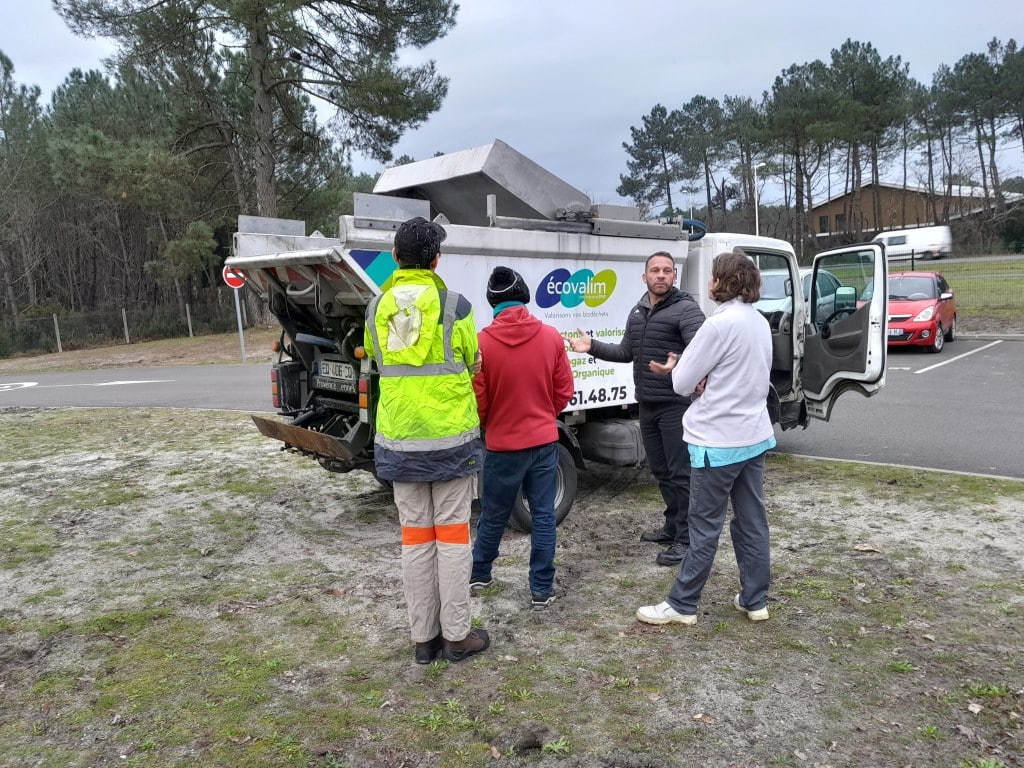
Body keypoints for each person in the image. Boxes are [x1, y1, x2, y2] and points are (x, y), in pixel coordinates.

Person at [364, 216, 490, 664]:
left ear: (394, 257)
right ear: (437, 260)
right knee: (453, 538)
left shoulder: (375, 307)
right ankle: (456, 636)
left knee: (416, 539)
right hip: (451, 442)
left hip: (400, 441)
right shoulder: (456, 306)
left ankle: (424, 640)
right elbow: (473, 359)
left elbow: (377, 356)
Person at [635, 248, 776, 626]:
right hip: (754, 436)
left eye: (713, 275)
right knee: (752, 521)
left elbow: (682, 384)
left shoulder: (718, 324)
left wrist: (686, 371)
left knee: (703, 527)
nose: (709, 281)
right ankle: (755, 599)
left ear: (722, 281)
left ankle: (682, 604)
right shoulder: (759, 321)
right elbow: (744, 372)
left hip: (718, 442)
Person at [568, 251, 704, 566]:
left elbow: (702, 351)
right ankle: (673, 527)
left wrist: (677, 364)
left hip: (676, 406)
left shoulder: (686, 310)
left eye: (667, 270)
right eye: (655, 270)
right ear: (645, 277)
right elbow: (626, 352)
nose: (661, 275)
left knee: (681, 474)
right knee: (661, 471)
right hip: (647, 405)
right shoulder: (638, 311)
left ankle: (687, 540)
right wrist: (592, 347)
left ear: (674, 276)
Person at [469, 266, 575, 608]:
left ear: (492, 302)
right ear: (525, 297)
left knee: (493, 514)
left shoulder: (481, 342)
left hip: (502, 446)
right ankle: (541, 589)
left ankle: (480, 573)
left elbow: (478, 401)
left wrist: (494, 424)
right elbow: (564, 391)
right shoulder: (551, 337)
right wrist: (543, 415)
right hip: (544, 442)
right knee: (543, 516)